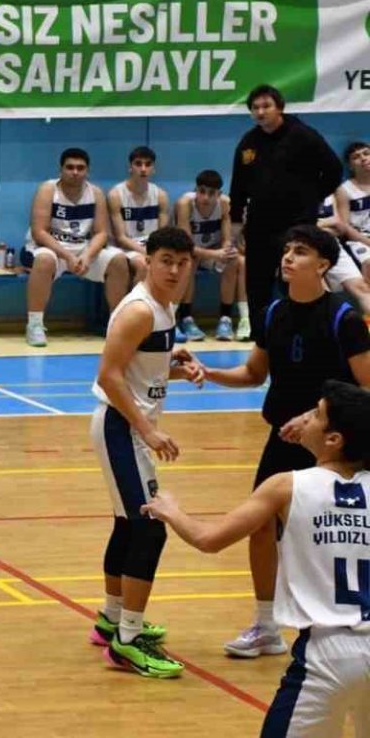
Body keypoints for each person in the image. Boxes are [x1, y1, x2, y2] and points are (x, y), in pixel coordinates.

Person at [143, 380, 370, 735]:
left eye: (315, 414)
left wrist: (171, 511)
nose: (305, 417)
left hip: (327, 654)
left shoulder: (286, 485)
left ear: (334, 439)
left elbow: (208, 540)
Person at [196, 225, 370, 658]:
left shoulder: (344, 319)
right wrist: (208, 372)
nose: (289, 257)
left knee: (337, 533)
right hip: (281, 439)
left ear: (324, 265)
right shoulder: (274, 312)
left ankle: (345, 617)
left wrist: (312, 420)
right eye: (287, 250)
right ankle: (266, 625)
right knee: (260, 526)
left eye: (301, 251)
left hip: (333, 447)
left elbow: (365, 388)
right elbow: (254, 373)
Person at [85, 227, 202, 678]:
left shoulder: (165, 308)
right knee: (150, 529)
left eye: (182, 263)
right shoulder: (139, 311)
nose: (174, 270)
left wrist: (178, 367)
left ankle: (113, 619)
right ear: (148, 260)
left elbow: (141, 370)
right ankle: (128, 642)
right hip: (120, 426)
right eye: (166, 260)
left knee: (128, 523)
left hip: (128, 426)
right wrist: (148, 430)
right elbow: (110, 376)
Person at [230, 85, 343, 328]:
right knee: (257, 283)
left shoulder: (303, 135)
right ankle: (260, 336)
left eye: (266, 106)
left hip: (297, 224)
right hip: (260, 224)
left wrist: (312, 198)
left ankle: (303, 330)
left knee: (295, 279)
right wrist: (236, 222)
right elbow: (238, 185)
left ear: (279, 108)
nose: (261, 112)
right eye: (255, 108)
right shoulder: (249, 142)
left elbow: (334, 169)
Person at [23, 148, 132, 347]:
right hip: (51, 248)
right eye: (70, 167)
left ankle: (116, 324)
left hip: (82, 249)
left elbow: (101, 233)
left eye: (80, 168)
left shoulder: (95, 193)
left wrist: (88, 256)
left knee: (118, 260)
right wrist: (68, 256)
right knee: (44, 259)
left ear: (87, 171)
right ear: (61, 169)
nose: (75, 172)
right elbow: (39, 232)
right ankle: (35, 324)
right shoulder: (48, 190)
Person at [174, 169, 248, 342]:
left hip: (211, 251)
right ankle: (185, 318)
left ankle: (225, 319)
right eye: (202, 191)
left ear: (219, 194)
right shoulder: (185, 204)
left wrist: (226, 250)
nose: (206, 197)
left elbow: (226, 238)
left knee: (233, 260)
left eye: (211, 193)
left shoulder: (224, 204)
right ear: (196, 190)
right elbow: (186, 245)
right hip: (189, 252)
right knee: (190, 260)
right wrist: (216, 254)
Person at [107, 146, 169, 282]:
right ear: (130, 167)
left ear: (153, 169)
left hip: (152, 248)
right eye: (138, 164)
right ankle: (136, 297)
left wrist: (155, 252)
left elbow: (162, 235)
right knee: (144, 265)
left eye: (148, 164)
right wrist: (147, 253)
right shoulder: (116, 195)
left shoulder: (161, 196)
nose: (143, 169)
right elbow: (121, 238)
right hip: (125, 249)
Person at [325, 140, 370, 317]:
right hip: (359, 239)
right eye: (356, 157)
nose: (363, 158)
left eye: (366, 153)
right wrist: (367, 241)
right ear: (350, 165)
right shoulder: (344, 190)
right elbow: (343, 227)